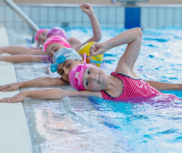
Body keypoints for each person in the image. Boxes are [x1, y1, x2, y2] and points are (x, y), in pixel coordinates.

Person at [0, 28, 182, 103]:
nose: (90, 77)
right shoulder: (97, 91)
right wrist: (25, 91)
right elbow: (58, 90)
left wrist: (107, 45)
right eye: (63, 72)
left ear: (84, 61)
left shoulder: (122, 71)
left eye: (69, 65)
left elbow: (137, 34)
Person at [0, 3, 101, 56]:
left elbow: (96, 38)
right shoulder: (49, 52)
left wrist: (91, 14)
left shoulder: (73, 44)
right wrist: (4, 49)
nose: (43, 38)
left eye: (44, 34)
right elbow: (28, 51)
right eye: (40, 40)